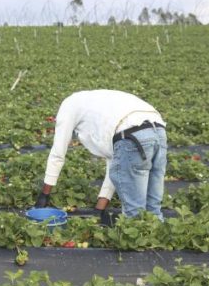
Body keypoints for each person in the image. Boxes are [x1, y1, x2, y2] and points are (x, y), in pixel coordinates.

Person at [34, 89, 167, 222]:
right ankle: (156, 236)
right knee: (153, 208)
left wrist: (44, 195)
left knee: (134, 213)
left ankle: (139, 237)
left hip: (132, 135)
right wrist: (99, 210)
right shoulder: (102, 103)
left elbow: (58, 153)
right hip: (159, 131)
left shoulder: (69, 105)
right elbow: (116, 163)